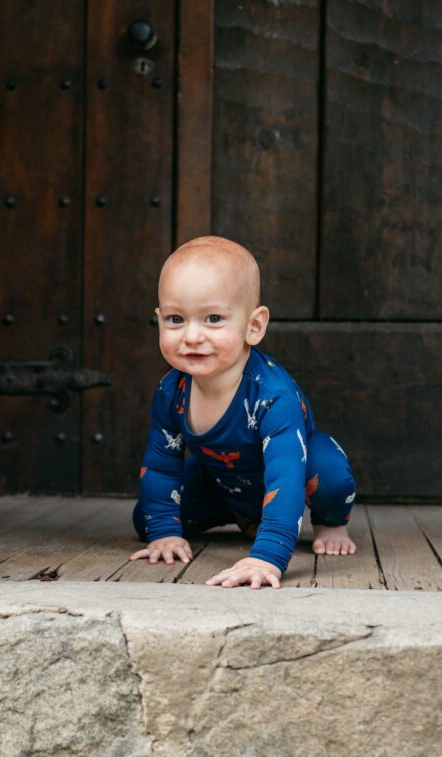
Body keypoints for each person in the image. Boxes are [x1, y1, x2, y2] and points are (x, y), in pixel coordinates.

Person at [130, 235, 357, 589]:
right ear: (158, 319)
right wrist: (164, 533)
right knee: (147, 520)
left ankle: (330, 522)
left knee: (329, 471)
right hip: (219, 481)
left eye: (213, 319)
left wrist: (266, 556)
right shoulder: (171, 390)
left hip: (292, 473)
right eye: (176, 319)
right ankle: (236, 515)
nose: (191, 336)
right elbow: (161, 462)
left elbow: (285, 477)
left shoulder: (271, 395)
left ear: (254, 326)